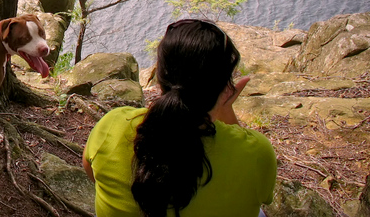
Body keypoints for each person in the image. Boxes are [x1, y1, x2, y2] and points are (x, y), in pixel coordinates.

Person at [83, 19, 277, 217]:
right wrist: (225, 109)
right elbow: (262, 195)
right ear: (225, 87)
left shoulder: (112, 126)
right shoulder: (256, 153)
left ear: (159, 75)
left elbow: (91, 173)